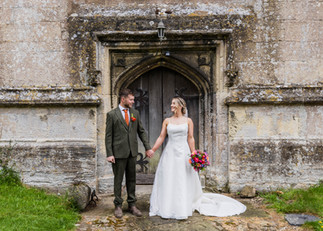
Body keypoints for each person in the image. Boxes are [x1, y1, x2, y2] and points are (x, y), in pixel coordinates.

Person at [149, 97, 246, 219]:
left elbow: (190, 138)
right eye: (171, 103)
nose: (171, 105)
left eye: (174, 103)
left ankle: (182, 205)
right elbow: (161, 136)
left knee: (182, 177)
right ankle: (168, 205)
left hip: (184, 153)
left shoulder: (188, 121)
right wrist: (153, 149)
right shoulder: (167, 121)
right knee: (169, 176)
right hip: (170, 152)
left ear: (181, 106)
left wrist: (194, 154)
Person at [105, 88, 154, 218]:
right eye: (131, 99)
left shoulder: (135, 113)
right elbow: (108, 136)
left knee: (132, 179)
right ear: (123, 99)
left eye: (133, 99)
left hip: (132, 152)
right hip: (118, 153)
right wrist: (109, 153)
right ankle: (118, 205)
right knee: (118, 180)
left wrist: (148, 148)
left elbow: (141, 131)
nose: (133, 101)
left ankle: (132, 205)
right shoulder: (112, 115)